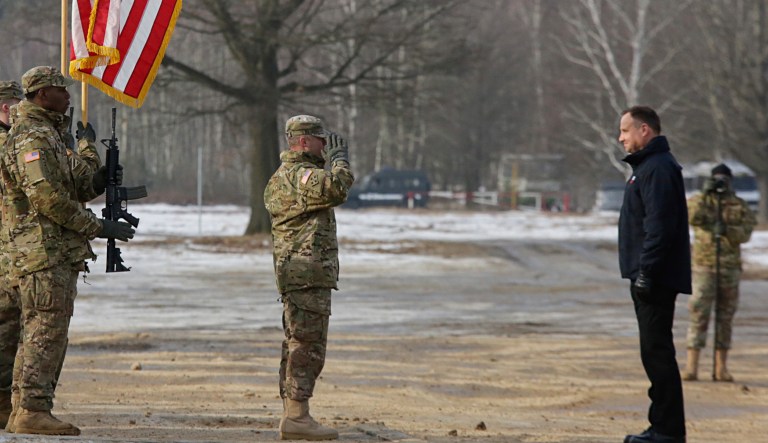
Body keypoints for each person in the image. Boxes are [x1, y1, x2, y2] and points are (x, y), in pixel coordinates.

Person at [0, 66, 135, 436]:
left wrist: (98, 168)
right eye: (62, 90)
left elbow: (77, 186)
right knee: (44, 331)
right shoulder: (32, 138)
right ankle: (31, 410)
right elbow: (47, 198)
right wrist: (98, 227)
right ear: (43, 95)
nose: (69, 96)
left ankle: (22, 409)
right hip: (42, 251)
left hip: (51, 250)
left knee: (39, 331)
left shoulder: (48, 135)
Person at [264, 115, 354, 441]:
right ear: (304, 142)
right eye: (319, 139)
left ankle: (294, 414)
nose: (324, 145)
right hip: (306, 274)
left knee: (297, 342)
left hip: (298, 274)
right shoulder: (299, 176)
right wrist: (340, 161)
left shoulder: (285, 177)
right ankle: (297, 416)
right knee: (307, 345)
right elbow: (338, 188)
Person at [617, 106, 690, 443]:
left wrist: (646, 272)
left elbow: (659, 227)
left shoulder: (658, 168)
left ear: (644, 130)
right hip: (649, 275)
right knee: (653, 352)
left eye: (625, 131)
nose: (621, 138)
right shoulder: (649, 166)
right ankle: (660, 425)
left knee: (658, 353)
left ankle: (667, 431)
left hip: (656, 278)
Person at [681, 164, 755, 382]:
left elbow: (746, 232)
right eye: (718, 179)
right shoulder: (700, 201)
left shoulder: (739, 205)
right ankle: (692, 366)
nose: (721, 183)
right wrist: (705, 192)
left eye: (725, 179)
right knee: (699, 314)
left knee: (725, 316)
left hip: (729, 267)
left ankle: (721, 367)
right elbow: (691, 216)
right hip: (704, 266)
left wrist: (728, 231)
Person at [0, 80, 24, 428]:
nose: (10, 109)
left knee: (13, 327)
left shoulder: (22, 141)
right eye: (5, 104)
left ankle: (6, 403)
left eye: (14, 103)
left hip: (16, 247)